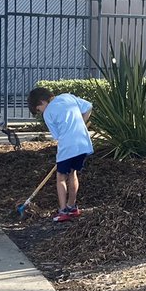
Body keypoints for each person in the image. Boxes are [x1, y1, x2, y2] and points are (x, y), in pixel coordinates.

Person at [27, 86, 93, 222]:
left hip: (67, 147)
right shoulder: (68, 97)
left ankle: (63, 211)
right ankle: (72, 207)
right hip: (82, 143)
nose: (41, 112)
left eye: (39, 110)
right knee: (73, 174)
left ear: (42, 102)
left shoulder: (48, 113)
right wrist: (82, 123)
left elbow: (57, 136)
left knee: (61, 177)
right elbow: (88, 107)